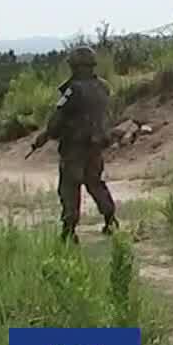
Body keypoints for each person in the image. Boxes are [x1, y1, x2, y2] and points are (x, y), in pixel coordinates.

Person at [27, 45, 120, 242]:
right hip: (96, 143)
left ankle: (69, 230)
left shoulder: (73, 89)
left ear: (76, 66)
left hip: (75, 146)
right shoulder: (102, 86)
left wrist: (44, 137)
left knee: (70, 186)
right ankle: (110, 219)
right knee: (95, 182)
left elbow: (58, 118)